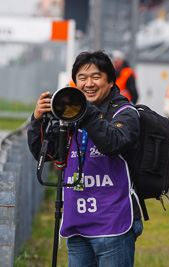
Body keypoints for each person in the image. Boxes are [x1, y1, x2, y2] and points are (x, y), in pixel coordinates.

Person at [27, 51, 143, 267]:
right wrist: (37, 121)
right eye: (82, 77)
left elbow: (113, 143)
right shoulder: (71, 115)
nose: (89, 83)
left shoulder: (125, 112)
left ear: (110, 82)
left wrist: (84, 110)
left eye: (96, 77)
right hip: (77, 223)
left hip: (113, 225)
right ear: (74, 81)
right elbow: (46, 153)